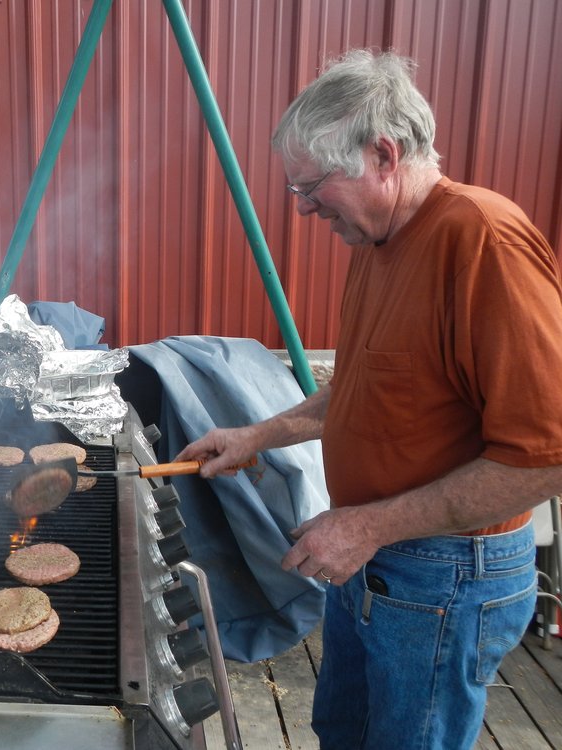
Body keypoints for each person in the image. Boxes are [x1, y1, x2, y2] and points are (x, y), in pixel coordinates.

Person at [176, 49, 562, 749]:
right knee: (343, 733)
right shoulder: (378, 240)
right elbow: (360, 388)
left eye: (312, 186)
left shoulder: (482, 240)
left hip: (444, 578)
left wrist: (369, 526)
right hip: (375, 559)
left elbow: (547, 457)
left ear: (383, 154)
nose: (302, 207)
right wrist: (254, 437)